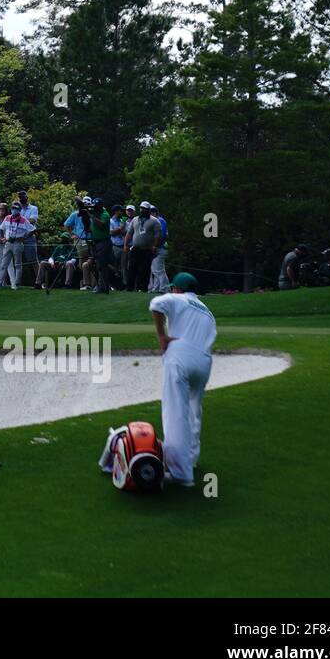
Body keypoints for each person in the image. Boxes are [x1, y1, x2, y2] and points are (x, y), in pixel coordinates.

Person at [149, 273, 216, 488]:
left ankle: (180, 473)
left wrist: (161, 335)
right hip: (204, 361)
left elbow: (156, 303)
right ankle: (191, 460)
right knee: (194, 411)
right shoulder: (207, 311)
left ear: (177, 288)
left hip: (180, 355)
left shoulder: (177, 298)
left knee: (175, 412)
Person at [127, 202, 162, 293]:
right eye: (141, 208)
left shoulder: (154, 221)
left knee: (145, 269)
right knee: (132, 268)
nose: (142, 210)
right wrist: (125, 244)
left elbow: (157, 235)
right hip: (135, 248)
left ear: (148, 210)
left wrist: (155, 246)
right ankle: (130, 288)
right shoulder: (135, 219)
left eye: (145, 209)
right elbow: (129, 233)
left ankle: (143, 288)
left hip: (147, 249)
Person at [0, 202, 34, 288]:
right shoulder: (7, 218)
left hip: (18, 243)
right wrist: (4, 237)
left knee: (18, 264)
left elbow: (32, 230)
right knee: (4, 264)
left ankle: (17, 283)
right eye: (13, 208)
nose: (13, 210)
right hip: (8, 243)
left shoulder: (23, 220)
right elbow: (1, 228)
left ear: (19, 210)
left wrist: (24, 238)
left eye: (16, 208)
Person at [64, 200, 93, 289]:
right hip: (80, 240)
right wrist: (72, 234)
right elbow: (66, 224)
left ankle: (89, 283)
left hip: (92, 240)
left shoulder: (92, 215)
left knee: (91, 261)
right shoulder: (75, 214)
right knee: (83, 262)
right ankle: (86, 282)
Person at [16, 190, 40, 274]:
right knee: (17, 261)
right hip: (18, 238)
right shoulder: (17, 209)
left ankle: (39, 282)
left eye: (23, 196)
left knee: (34, 261)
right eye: (20, 197)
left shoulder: (33, 208)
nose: (22, 198)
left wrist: (20, 221)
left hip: (29, 237)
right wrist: (25, 221)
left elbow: (33, 220)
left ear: (27, 197)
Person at [149, 204, 170, 292]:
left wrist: (155, 246)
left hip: (160, 248)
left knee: (158, 270)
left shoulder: (160, 221)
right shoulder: (155, 221)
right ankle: (157, 288)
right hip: (157, 248)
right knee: (155, 269)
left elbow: (162, 236)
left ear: (155, 212)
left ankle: (164, 288)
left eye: (151, 212)